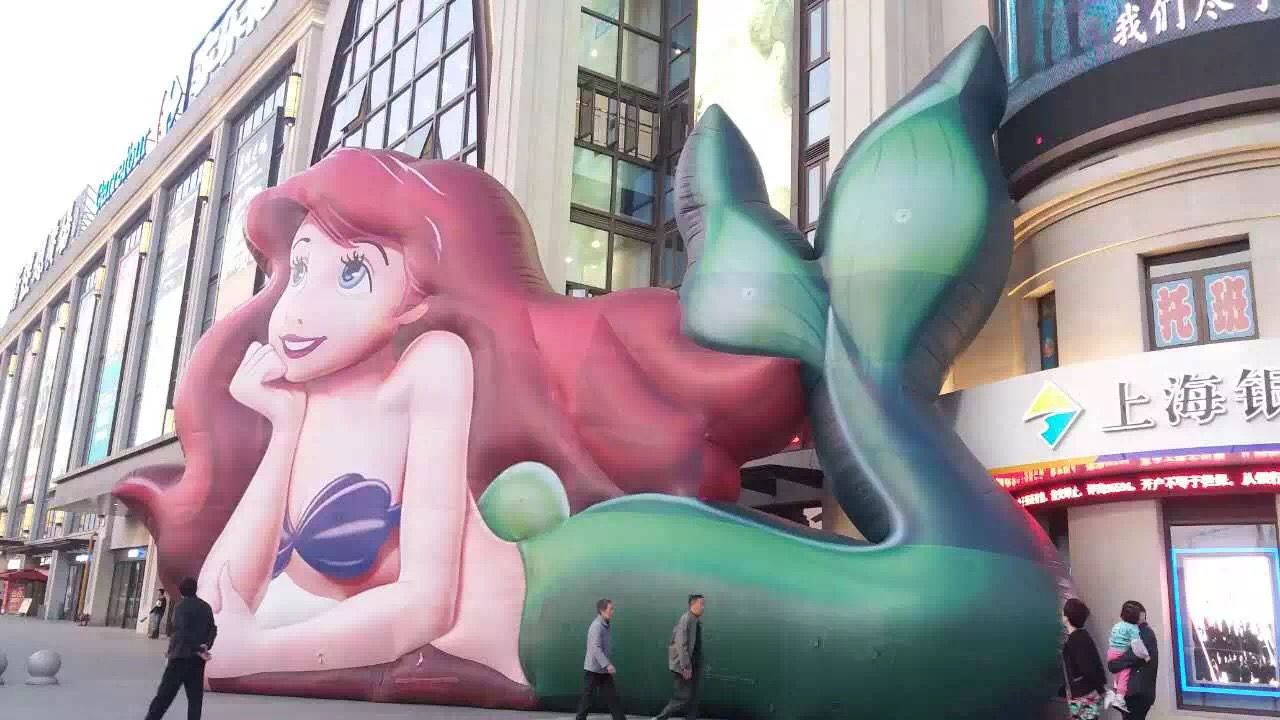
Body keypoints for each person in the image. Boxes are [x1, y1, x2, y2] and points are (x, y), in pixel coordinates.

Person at [112, 149, 805, 704]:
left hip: (506, 641)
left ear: (417, 301)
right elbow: (227, 593)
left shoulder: (431, 367)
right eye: (299, 268)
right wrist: (283, 431)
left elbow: (423, 607)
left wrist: (260, 650)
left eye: (352, 274)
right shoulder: (302, 402)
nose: (296, 309)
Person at [144, 578, 217, 720]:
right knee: (195, 699)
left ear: (181, 591)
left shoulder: (181, 607)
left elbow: (181, 632)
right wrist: (206, 646)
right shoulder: (205, 607)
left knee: (164, 696)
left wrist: (194, 648)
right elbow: (213, 629)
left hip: (180, 658)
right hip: (197, 661)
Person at [655, 594, 705, 720]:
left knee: (693, 696)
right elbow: (681, 644)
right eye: (701, 604)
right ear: (693, 604)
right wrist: (685, 667)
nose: (703, 607)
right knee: (683, 696)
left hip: (694, 665)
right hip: (684, 666)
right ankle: (660, 718)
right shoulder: (686, 619)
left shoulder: (695, 621)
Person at [1108, 601, 1159, 719]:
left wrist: (1113, 664)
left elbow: (1132, 656)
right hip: (1137, 693)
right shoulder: (1139, 632)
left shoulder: (1144, 633)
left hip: (1137, 694)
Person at [576, 598, 626, 720]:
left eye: (612, 609)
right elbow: (595, 647)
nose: (612, 612)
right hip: (593, 669)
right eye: (610, 609)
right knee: (587, 699)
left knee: (612, 698)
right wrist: (607, 664)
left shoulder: (605, 624)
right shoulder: (597, 626)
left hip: (603, 670)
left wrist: (605, 666)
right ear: (602, 610)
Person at [1060, 598, 1106, 720]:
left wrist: (1100, 689)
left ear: (1067, 617)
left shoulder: (1076, 639)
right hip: (1083, 693)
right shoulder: (1081, 636)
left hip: (1083, 694)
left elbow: (1087, 667)